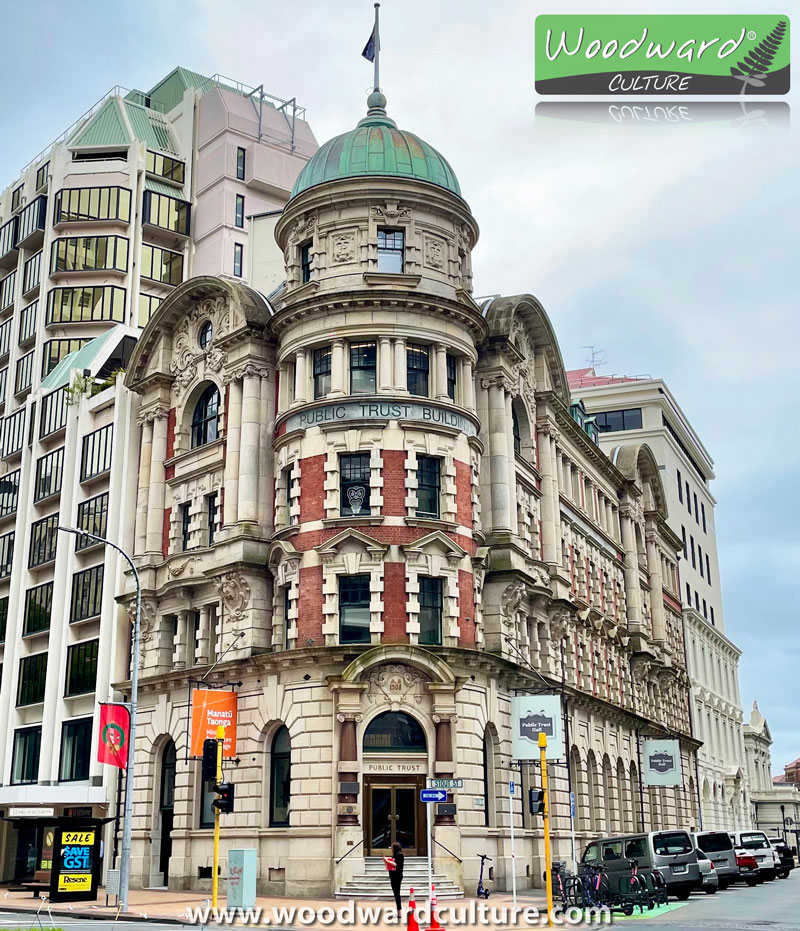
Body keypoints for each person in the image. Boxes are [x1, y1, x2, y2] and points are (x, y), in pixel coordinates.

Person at [389, 841, 404, 911]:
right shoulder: (394, 856)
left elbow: (395, 864)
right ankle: (399, 909)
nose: (391, 849)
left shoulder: (400, 856)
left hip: (397, 877)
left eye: (392, 848)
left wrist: (387, 861)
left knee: (397, 893)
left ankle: (399, 909)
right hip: (393, 876)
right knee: (396, 893)